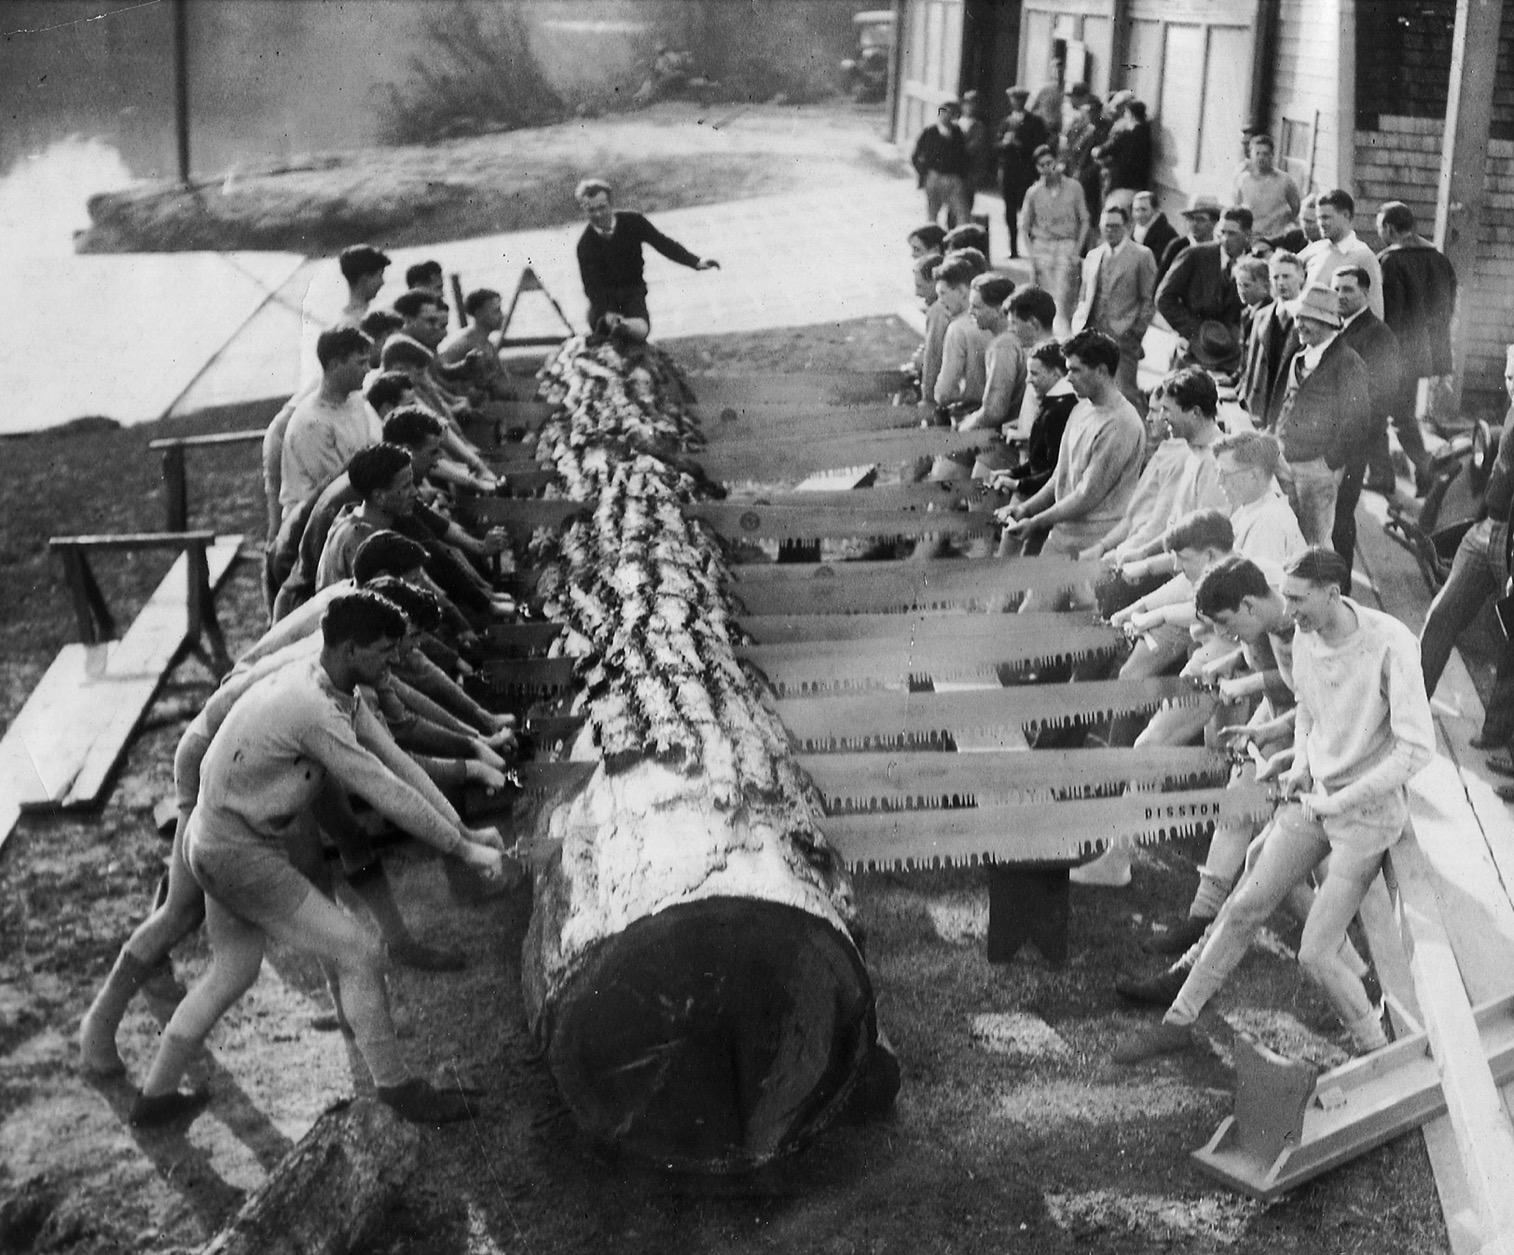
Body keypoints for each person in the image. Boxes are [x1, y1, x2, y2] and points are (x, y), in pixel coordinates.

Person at [126, 591, 511, 1127]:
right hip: (234, 848)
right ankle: (400, 1091)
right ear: (351, 649)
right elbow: (384, 791)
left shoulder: (339, 689)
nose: (393, 662)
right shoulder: (312, 709)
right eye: (382, 651)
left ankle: (155, 1096)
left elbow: (399, 765)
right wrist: (462, 850)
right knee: (361, 950)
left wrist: (466, 833)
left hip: (217, 837)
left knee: (232, 972)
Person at [1114, 547, 1434, 1064]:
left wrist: (1341, 797)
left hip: (1366, 816)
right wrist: (1302, 767)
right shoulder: (1305, 633)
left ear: (1333, 592)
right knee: (1243, 907)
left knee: (1314, 953)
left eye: (1299, 599)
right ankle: (1178, 1019)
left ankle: (1380, 1056)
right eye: (1286, 597)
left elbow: (1418, 748)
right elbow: (1308, 708)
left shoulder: (1391, 643)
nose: (1290, 610)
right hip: (1317, 798)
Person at [1419, 345, 1514, 758]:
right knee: (1442, 614)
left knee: (1511, 645)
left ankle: (1498, 735)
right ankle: (1410, 706)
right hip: (1487, 530)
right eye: (1511, 378)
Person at [997, 329, 1145, 557]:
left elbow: (1085, 495)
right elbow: (1060, 475)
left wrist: (1035, 522)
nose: (1068, 378)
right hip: (1062, 537)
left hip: (1093, 546)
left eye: (1075, 370)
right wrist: (1025, 509)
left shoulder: (1121, 424)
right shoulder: (1081, 408)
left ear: (1102, 371)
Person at [1267, 284, 1372, 548]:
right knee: (1288, 539)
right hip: (1285, 463)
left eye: (1307, 319)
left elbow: (1357, 420)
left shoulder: (1348, 361)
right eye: (1298, 317)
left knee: (1316, 546)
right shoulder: (1300, 358)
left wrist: (1328, 464)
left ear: (1327, 322)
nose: (1299, 325)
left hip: (1317, 470)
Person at [574, 177, 719, 344]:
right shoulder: (585, 245)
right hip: (606, 300)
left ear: (611, 204)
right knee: (602, 325)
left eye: (602, 207)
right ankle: (613, 326)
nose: (598, 214)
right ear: (584, 209)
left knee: (640, 331)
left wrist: (696, 261)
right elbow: (591, 287)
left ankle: (625, 327)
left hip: (632, 293)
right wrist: (607, 313)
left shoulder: (633, 222)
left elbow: (663, 243)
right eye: (591, 210)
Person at [1375, 201, 1457, 493]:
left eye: (1380, 229)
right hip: (1424, 353)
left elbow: (1387, 316)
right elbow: (1447, 312)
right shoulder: (1440, 259)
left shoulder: (1389, 262)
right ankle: (1417, 475)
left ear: (1389, 228)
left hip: (1392, 354)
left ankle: (1422, 474)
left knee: (1386, 416)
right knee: (1402, 414)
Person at [1330, 267, 1400, 569]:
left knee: (1341, 517)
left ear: (1366, 293)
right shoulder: (1337, 327)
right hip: (1329, 442)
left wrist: (1346, 446)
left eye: (1348, 289)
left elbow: (1379, 400)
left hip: (1352, 446)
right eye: (1336, 289)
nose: (1340, 296)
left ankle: (1342, 588)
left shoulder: (1377, 335)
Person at [279, 327, 378, 520]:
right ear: (334, 365)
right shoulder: (312, 421)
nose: (368, 369)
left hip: (349, 509)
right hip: (312, 521)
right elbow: (335, 489)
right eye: (361, 363)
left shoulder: (356, 401)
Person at [1071, 205, 1158, 411]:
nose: (1109, 230)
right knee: (1090, 390)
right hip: (1092, 332)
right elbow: (1084, 295)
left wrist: (1135, 332)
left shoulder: (1142, 255)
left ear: (1128, 226)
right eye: (1105, 226)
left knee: (1124, 393)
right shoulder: (1093, 255)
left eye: (1115, 226)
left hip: (1124, 336)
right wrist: (1079, 323)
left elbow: (1148, 300)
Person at [1156, 207, 1252, 375]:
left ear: (1248, 235)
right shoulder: (1196, 255)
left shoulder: (1255, 264)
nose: (1225, 239)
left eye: (1232, 234)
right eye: (1222, 232)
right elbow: (1164, 298)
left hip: (1229, 358)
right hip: (1190, 352)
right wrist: (1192, 331)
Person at [989, 338, 1077, 515]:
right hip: (1034, 491)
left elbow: (1054, 471)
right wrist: (1012, 473)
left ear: (1055, 374)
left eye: (1034, 374)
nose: (1028, 380)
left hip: (1037, 498)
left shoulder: (1058, 410)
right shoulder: (1053, 403)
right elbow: (1039, 459)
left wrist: (1018, 484)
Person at [1019, 145, 1090, 329]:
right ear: (1037, 168)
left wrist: (1077, 250)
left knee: (1064, 298)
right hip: (1042, 246)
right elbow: (1024, 227)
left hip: (1066, 245)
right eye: (1041, 165)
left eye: (1050, 163)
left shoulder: (1074, 187)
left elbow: (1084, 221)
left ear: (1057, 163)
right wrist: (1032, 254)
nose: (1046, 168)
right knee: (1042, 298)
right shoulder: (1033, 192)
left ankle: (1063, 338)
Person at [1300, 189, 1383, 318]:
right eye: (1319, 218)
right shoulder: (1313, 250)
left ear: (1345, 215)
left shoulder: (1363, 256)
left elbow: (1375, 310)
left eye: (1326, 217)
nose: (1321, 223)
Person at [957, 274, 1024, 431]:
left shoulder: (1002, 345)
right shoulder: (1019, 337)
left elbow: (994, 411)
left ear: (1000, 310)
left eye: (977, 307)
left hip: (1006, 439)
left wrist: (964, 428)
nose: (970, 312)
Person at [1242, 251, 1303, 421]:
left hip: (1289, 412)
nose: (1281, 283)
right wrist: (1246, 398)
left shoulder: (1307, 319)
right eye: (1276, 277)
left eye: (1287, 276)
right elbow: (1251, 362)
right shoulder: (1262, 316)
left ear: (1301, 277)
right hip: (1261, 407)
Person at [931, 256, 992, 417]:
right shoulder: (994, 320)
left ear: (962, 291)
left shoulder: (957, 329)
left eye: (943, 293)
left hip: (969, 413)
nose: (940, 301)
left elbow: (944, 391)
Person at [997, 86, 1051, 258]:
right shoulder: (1006, 121)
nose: (1017, 103)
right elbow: (995, 146)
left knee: (1029, 211)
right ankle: (1013, 248)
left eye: (1020, 99)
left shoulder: (1035, 122)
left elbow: (1041, 147)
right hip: (1008, 173)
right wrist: (1005, 143)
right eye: (1014, 99)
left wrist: (1020, 144)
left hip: (1026, 173)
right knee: (1010, 212)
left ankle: (1033, 247)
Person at [911, 101, 973, 228]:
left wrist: (962, 176)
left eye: (950, 114)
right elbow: (915, 156)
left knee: (962, 213)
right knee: (932, 215)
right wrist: (924, 173)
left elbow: (964, 156)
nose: (946, 117)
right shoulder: (930, 132)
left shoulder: (957, 133)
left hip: (953, 179)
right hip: (934, 178)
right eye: (943, 113)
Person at [1232, 134, 1301, 239]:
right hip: (1251, 236)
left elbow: (1296, 207)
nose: (1261, 157)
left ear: (1272, 155)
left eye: (1265, 154)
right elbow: (1236, 208)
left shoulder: (1285, 180)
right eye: (1257, 153)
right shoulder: (1243, 180)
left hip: (1276, 238)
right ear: (1251, 155)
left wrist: (1283, 224)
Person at [1095, 95, 1152, 208]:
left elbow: (1103, 151)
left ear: (1130, 114)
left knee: (1112, 218)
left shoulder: (1127, 135)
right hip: (1140, 186)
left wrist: (1095, 151)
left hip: (1122, 185)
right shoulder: (1147, 135)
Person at [1158, 193, 1222, 285]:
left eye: (1200, 219)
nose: (1194, 224)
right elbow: (1160, 283)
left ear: (1214, 222)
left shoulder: (1218, 250)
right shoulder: (1177, 246)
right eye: (1190, 218)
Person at [957, 90, 993, 204]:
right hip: (955, 169)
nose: (969, 107)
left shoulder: (978, 126)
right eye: (966, 104)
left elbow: (975, 146)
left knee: (965, 200)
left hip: (970, 169)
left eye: (973, 104)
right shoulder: (957, 122)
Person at [1129, 191, 1177, 268]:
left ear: (1155, 210)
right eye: (1136, 210)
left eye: (1144, 209)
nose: (1139, 214)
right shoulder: (1134, 230)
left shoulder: (1167, 234)